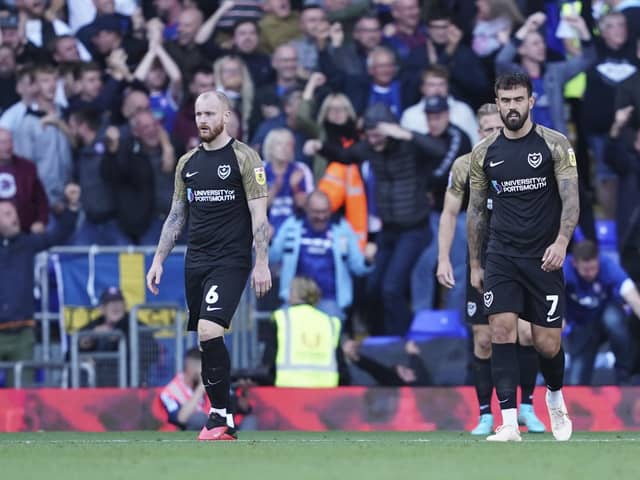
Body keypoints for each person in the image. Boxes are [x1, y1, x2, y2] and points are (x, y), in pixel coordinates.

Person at [146, 90, 271, 441]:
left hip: (231, 259)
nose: (203, 120)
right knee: (206, 340)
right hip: (195, 260)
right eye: (199, 114)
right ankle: (223, 419)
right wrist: (158, 260)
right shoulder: (187, 163)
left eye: (210, 114)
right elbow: (175, 217)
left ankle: (219, 415)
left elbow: (259, 215)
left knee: (209, 330)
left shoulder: (246, 159)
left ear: (226, 117)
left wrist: (261, 262)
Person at [467, 72, 579, 442]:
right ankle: (509, 423)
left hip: (544, 257)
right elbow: (476, 212)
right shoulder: (484, 153)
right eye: (505, 101)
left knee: (547, 343)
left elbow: (571, 199)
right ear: (496, 103)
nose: (511, 107)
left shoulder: (555, 144)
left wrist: (562, 242)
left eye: (518, 100)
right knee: (501, 330)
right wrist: (475, 264)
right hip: (501, 255)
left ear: (531, 101)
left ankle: (555, 396)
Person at [436, 103, 545, 435]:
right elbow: (449, 214)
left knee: (527, 333)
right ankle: (486, 414)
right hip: (482, 260)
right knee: (483, 339)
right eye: (485, 129)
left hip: (522, 255)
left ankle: (526, 407)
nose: (491, 134)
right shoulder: (465, 166)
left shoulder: (525, 157)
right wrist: (442, 258)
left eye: (497, 128)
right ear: (477, 132)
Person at [0, 183, 80, 386]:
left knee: (22, 395)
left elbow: (59, 234)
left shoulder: (26, 244)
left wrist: (71, 208)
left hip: (22, 333)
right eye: (8, 214)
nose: (15, 217)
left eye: (14, 212)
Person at [270, 190, 373, 321]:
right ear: (307, 209)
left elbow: (358, 266)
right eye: (316, 212)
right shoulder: (292, 225)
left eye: (325, 211)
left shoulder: (342, 228)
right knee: (283, 327)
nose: (321, 217)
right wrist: (267, 241)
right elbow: (273, 257)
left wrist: (369, 260)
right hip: (296, 299)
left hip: (330, 300)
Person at [564, 240, 640, 385]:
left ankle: (624, 370)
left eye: (594, 268)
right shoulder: (564, 269)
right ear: (575, 263)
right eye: (586, 270)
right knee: (576, 380)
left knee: (614, 320)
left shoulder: (607, 265)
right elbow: (550, 298)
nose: (591, 274)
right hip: (581, 323)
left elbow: (634, 298)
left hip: (606, 316)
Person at [263, 276, 343, 387]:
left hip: (287, 390)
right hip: (325, 392)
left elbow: (268, 361)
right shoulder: (331, 322)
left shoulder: (281, 318)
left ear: (292, 294)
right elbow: (341, 366)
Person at [79, 286, 158, 386]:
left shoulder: (135, 324)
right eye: (110, 303)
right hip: (98, 387)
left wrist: (122, 340)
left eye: (118, 302)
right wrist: (88, 340)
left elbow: (152, 353)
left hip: (130, 385)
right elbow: (73, 351)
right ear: (102, 308)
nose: (115, 306)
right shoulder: (95, 325)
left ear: (125, 305)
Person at [160, 347, 209, 430]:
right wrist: (201, 388)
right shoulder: (170, 392)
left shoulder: (203, 385)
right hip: (177, 435)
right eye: (203, 368)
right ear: (192, 367)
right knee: (198, 419)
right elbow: (181, 419)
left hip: (205, 430)